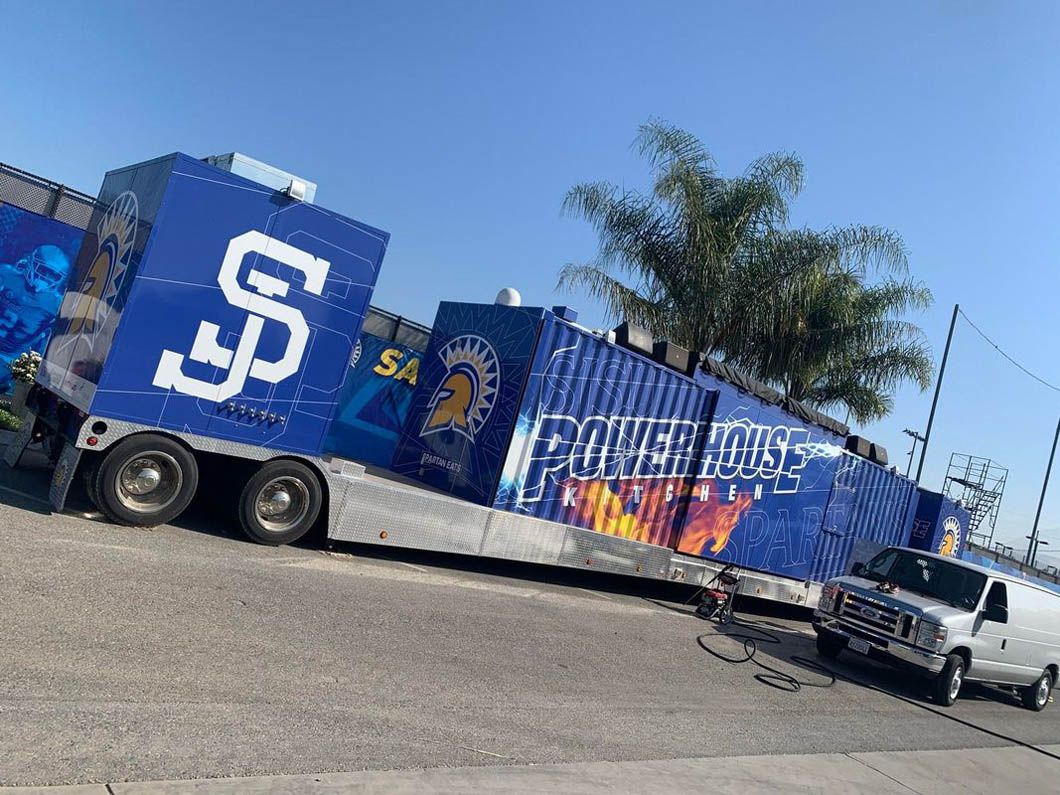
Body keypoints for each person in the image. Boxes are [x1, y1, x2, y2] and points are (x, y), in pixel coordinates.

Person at [0, 244, 71, 393]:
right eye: (44, 270)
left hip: (7, 357)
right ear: (31, 262)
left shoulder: (55, 305)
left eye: (53, 275)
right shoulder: (5, 275)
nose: (47, 277)